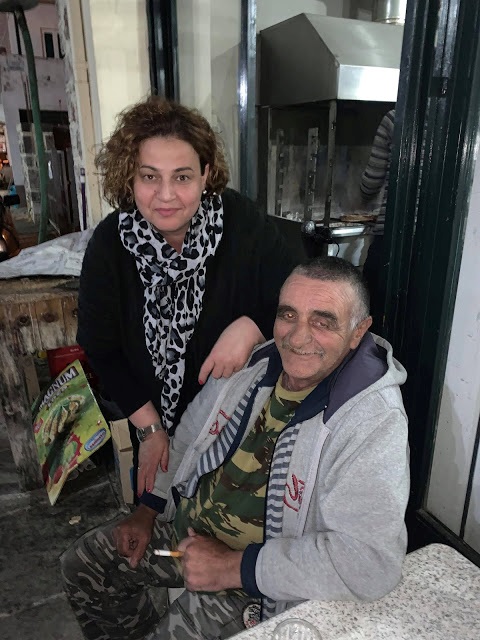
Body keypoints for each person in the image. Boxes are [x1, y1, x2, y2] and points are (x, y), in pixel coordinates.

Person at [62, 256, 410, 640]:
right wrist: (149, 510)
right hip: (189, 534)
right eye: (288, 315)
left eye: (323, 322)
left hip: (258, 584)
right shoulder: (255, 365)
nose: (297, 338)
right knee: (85, 565)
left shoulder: (371, 419)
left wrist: (230, 567)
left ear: (358, 332)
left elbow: (369, 563)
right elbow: (189, 438)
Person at [77, 96, 300, 500]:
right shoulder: (109, 245)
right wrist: (150, 430)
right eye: (149, 176)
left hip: (238, 422)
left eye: (182, 177)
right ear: (130, 177)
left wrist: (253, 325)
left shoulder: (242, 223)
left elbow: (295, 294)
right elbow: (101, 347)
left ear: (205, 174)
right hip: (147, 414)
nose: (166, 195)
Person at [360, 108, 395, 331]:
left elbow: (371, 183)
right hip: (433, 242)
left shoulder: (394, 118)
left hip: (388, 235)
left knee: (370, 311)